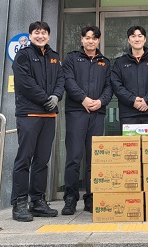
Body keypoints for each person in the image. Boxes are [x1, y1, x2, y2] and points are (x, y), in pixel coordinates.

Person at [11, 21, 64, 222]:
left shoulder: (54, 57)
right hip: (29, 115)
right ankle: (19, 203)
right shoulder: (23, 55)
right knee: (24, 159)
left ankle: (38, 202)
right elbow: (24, 83)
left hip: (49, 116)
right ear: (30, 35)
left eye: (44, 33)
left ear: (48, 36)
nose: (40, 36)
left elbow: (61, 80)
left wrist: (56, 96)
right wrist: (45, 99)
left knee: (42, 160)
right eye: (36, 32)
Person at [62, 25, 112, 214]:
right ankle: (70, 198)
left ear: (98, 40)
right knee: (74, 157)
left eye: (94, 38)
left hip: (97, 113)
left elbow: (109, 86)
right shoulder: (72, 58)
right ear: (82, 39)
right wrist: (83, 99)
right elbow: (68, 81)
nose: (90, 41)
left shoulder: (105, 62)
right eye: (87, 38)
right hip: (77, 112)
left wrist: (101, 101)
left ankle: (92, 197)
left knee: (94, 158)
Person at [111, 26, 148, 132]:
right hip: (128, 114)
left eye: (140, 36)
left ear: (144, 39)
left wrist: (147, 100)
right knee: (130, 143)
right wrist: (133, 100)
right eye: (133, 36)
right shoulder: (120, 62)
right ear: (128, 40)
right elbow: (116, 85)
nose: (137, 39)